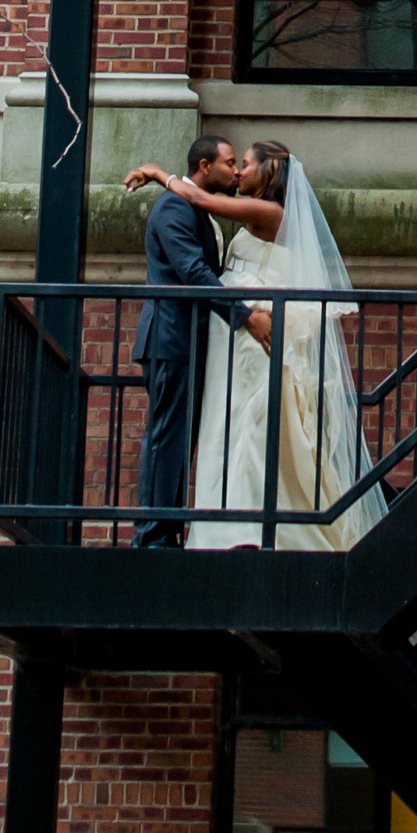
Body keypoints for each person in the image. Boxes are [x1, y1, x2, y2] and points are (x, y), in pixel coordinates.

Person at [186, 138, 386, 553]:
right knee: (226, 423)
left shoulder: (269, 212)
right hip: (234, 335)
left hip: (251, 336)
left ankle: (241, 530)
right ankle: (221, 524)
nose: (238, 171)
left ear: (267, 172)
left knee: (247, 426)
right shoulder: (257, 214)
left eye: (244, 164)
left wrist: (158, 174)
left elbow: (199, 198)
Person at [125, 138, 277, 550]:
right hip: (170, 339)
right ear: (205, 166)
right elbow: (193, 272)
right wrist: (245, 316)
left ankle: (166, 530)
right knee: (166, 436)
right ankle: (151, 537)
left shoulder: (199, 208)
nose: (237, 171)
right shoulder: (174, 209)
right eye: (230, 163)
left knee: (178, 439)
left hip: (188, 342)